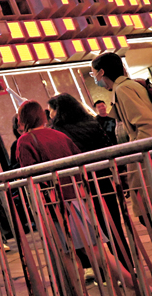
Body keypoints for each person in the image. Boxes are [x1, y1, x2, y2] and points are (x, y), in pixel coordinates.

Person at [17, 101, 134, 293]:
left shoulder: (26, 141)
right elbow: (78, 161)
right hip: (77, 198)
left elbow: (28, 175)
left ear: (23, 119)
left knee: (68, 254)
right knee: (98, 250)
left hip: (54, 204)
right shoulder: (59, 135)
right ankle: (134, 288)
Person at [49, 93, 133, 278]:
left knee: (91, 233)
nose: (51, 115)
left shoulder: (58, 131)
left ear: (59, 111)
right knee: (114, 225)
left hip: (81, 185)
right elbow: (108, 148)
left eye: (52, 111)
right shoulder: (94, 124)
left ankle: (106, 274)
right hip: (104, 180)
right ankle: (127, 266)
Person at [91, 52, 152, 221]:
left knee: (147, 213)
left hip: (145, 162)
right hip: (143, 158)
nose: (95, 78)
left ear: (101, 72)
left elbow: (146, 124)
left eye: (94, 73)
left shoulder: (123, 89)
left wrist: (136, 154)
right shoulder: (129, 86)